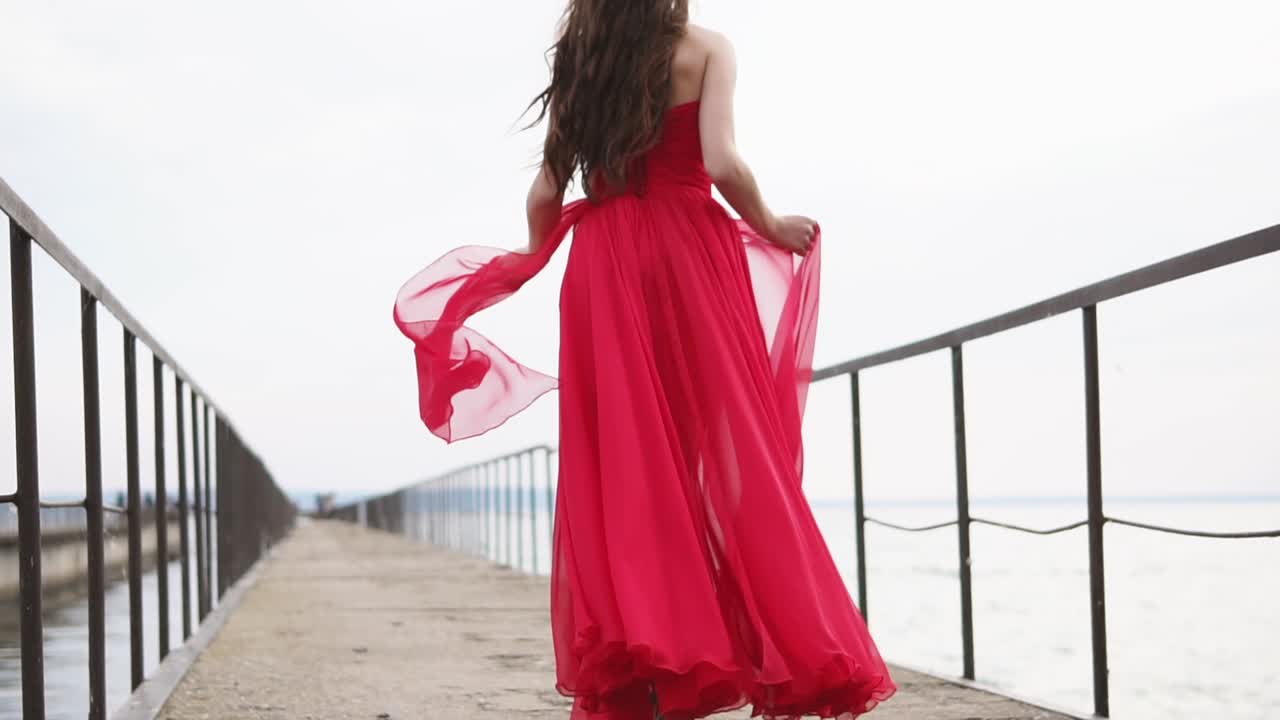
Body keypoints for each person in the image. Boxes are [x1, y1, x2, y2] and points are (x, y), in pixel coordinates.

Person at [393, 2, 897, 718]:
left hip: (603, 268)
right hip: (687, 257)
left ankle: (650, 654)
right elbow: (721, 163)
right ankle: (783, 650)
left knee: (626, 460)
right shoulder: (706, 48)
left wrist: (533, 255)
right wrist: (772, 224)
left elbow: (546, 188)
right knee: (726, 451)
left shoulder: (583, 55)